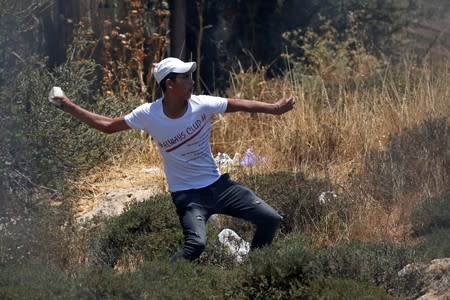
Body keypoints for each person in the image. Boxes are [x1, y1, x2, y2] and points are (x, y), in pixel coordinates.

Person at [52, 57, 295, 262]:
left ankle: (255, 270)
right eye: (185, 78)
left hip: (219, 187)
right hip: (188, 196)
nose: (192, 82)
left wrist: (273, 109)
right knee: (195, 245)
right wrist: (67, 105)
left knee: (271, 219)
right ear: (170, 84)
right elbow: (106, 126)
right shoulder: (149, 114)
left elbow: (240, 104)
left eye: (191, 76)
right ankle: (163, 280)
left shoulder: (202, 104)